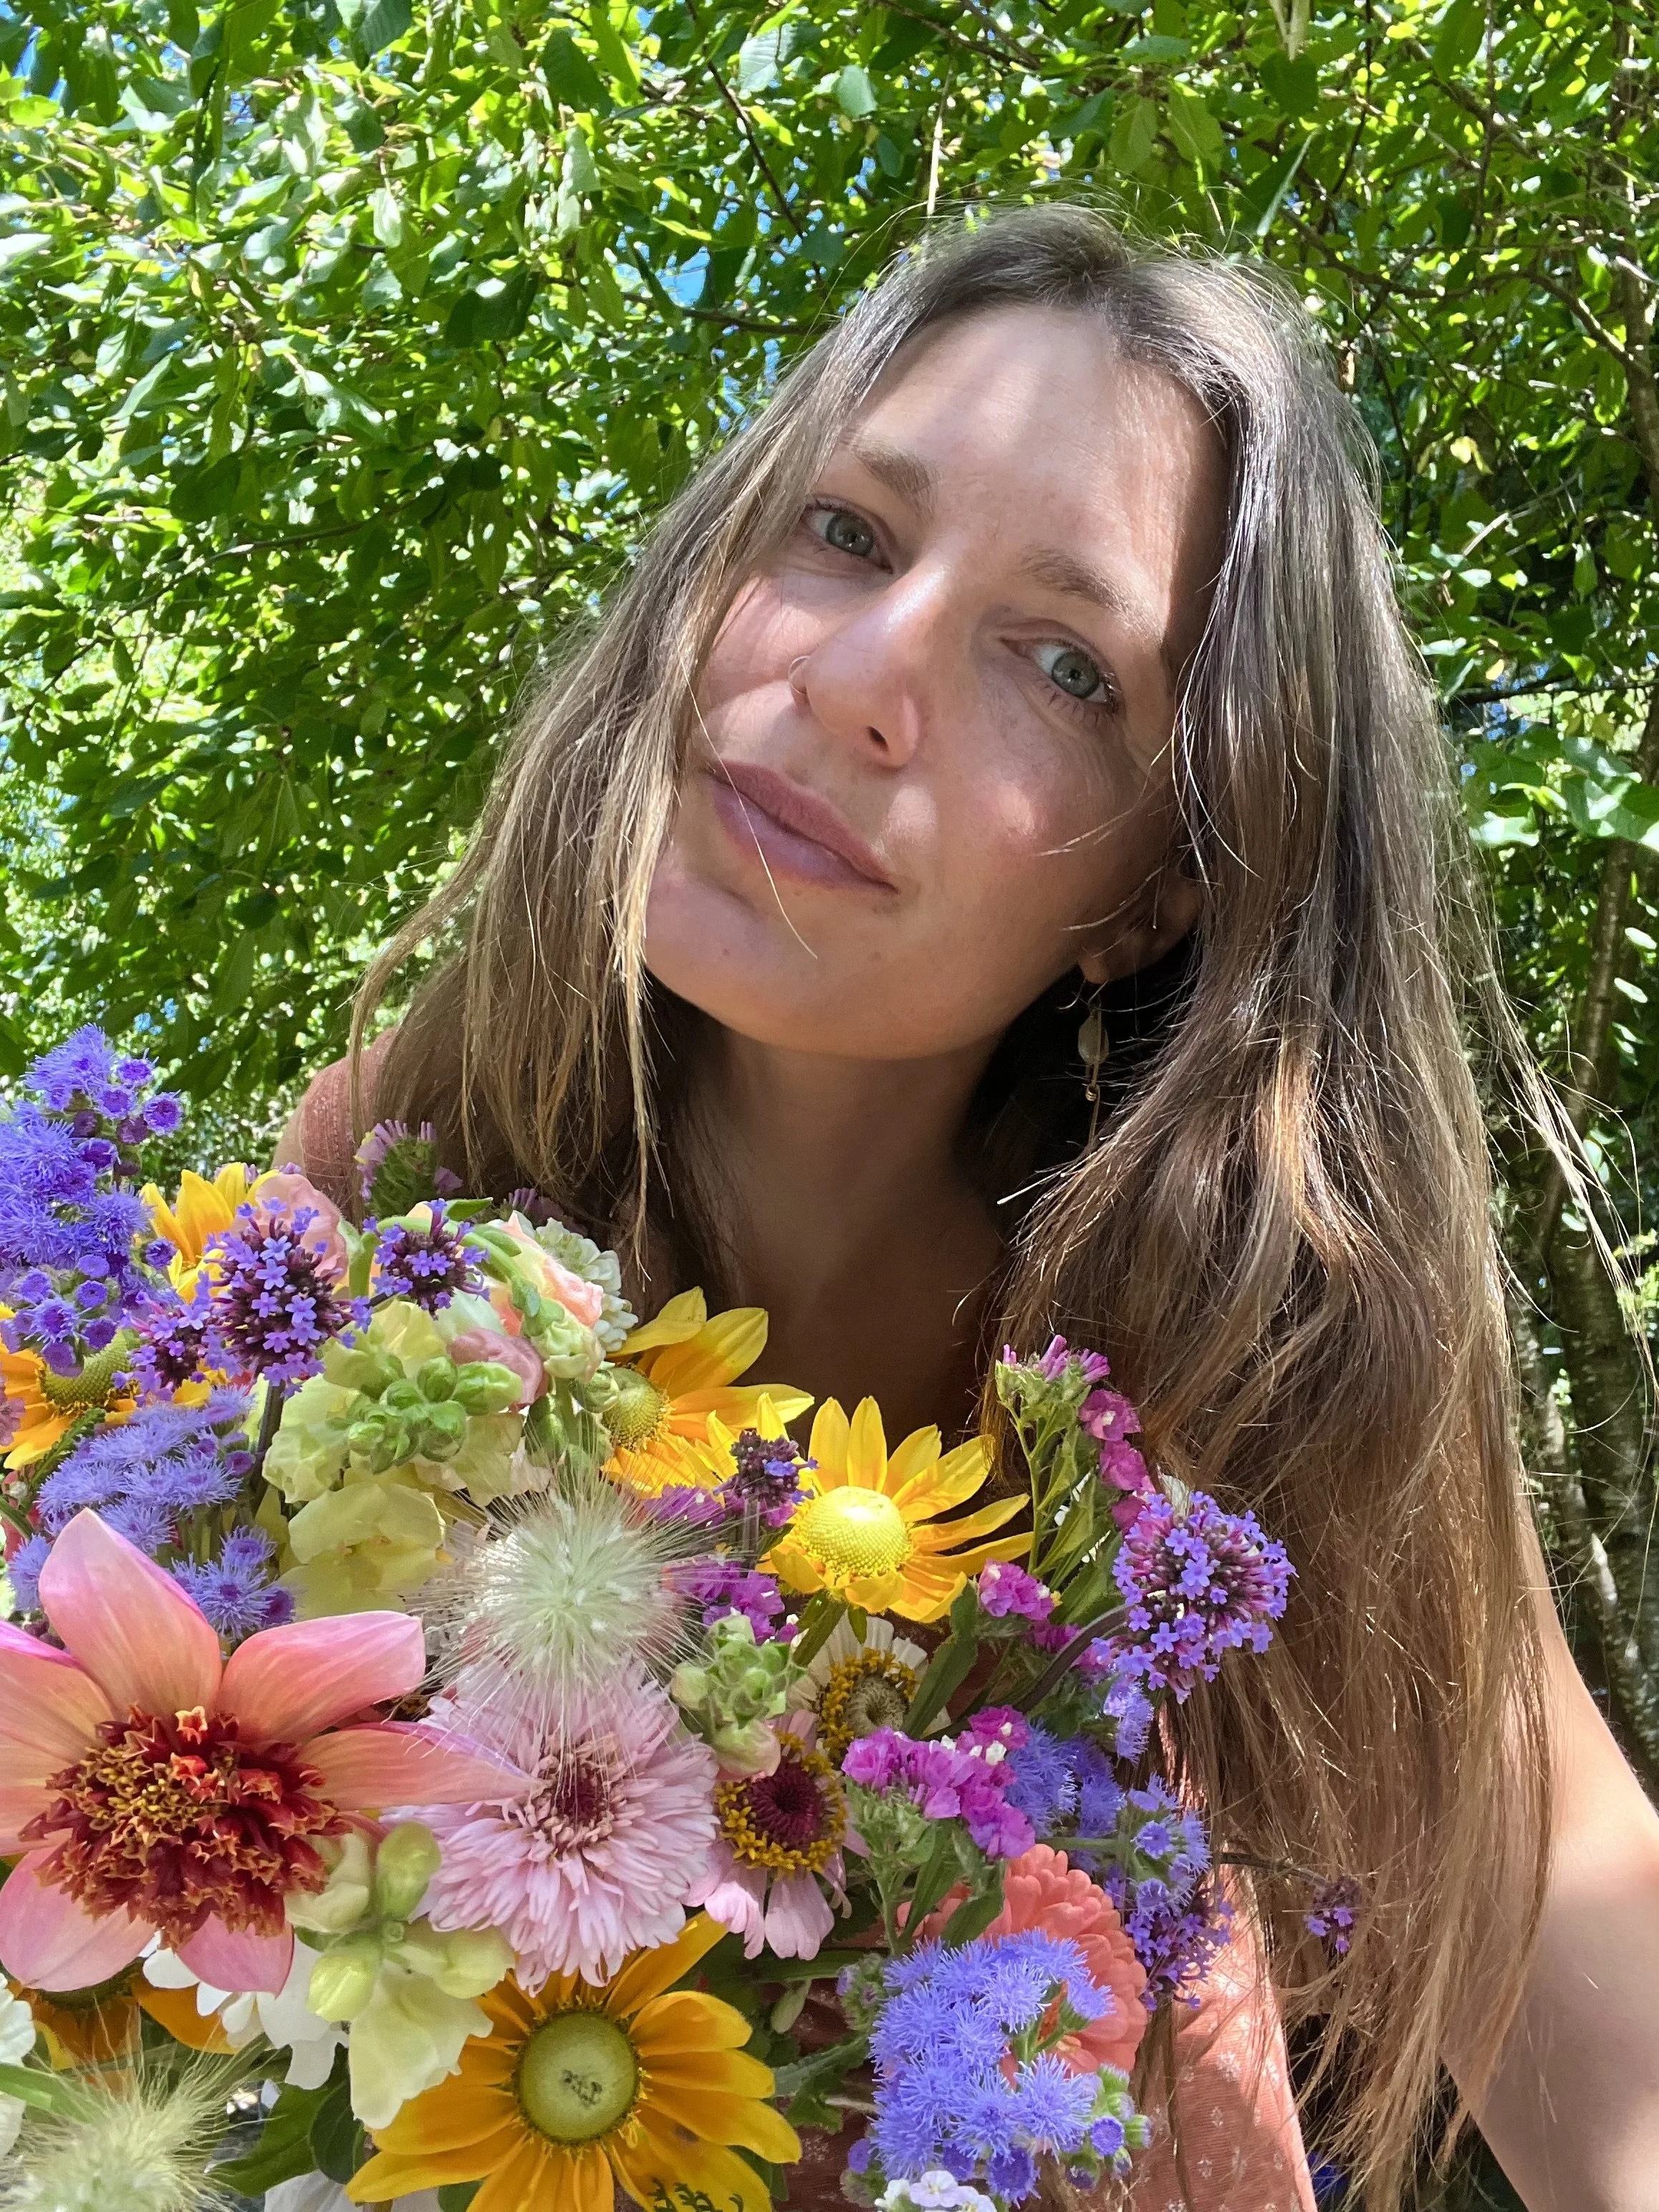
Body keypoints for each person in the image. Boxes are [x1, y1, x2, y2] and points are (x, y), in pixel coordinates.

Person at [284, 208, 1659, 2210]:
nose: (858, 679)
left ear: (1159, 887)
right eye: (843, 532)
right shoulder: (382, 1208)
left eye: (1059, 662)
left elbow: (1584, 1973)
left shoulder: (1245, 1369)